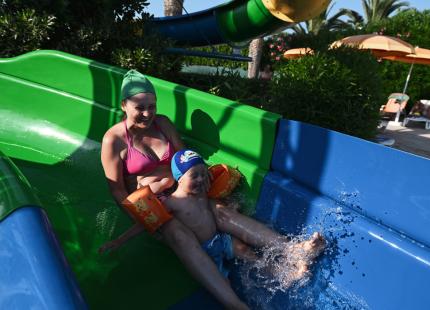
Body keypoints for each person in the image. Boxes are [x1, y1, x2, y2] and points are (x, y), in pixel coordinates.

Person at [101, 69, 248, 309]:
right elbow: (117, 190)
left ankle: (287, 250)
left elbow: (183, 160)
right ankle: (235, 304)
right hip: (153, 205)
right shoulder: (113, 140)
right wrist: (145, 219)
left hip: (182, 190)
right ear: (124, 105)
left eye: (152, 106)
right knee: (181, 236)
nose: (147, 113)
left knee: (223, 212)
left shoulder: (163, 124)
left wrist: (203, 189)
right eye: (140, 107)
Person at [101, 149, 326, 291]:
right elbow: (145, 223)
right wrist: (119, 241)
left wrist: (232, 206)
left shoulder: (204, 196)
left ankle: (288, 271)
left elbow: (216, 212)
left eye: (202, 174)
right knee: (224, 284)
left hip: (221, 239)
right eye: (193, 176)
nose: (200, 180)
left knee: (247, 253)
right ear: (179, 179)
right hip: (204, 250)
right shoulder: (170, 203)